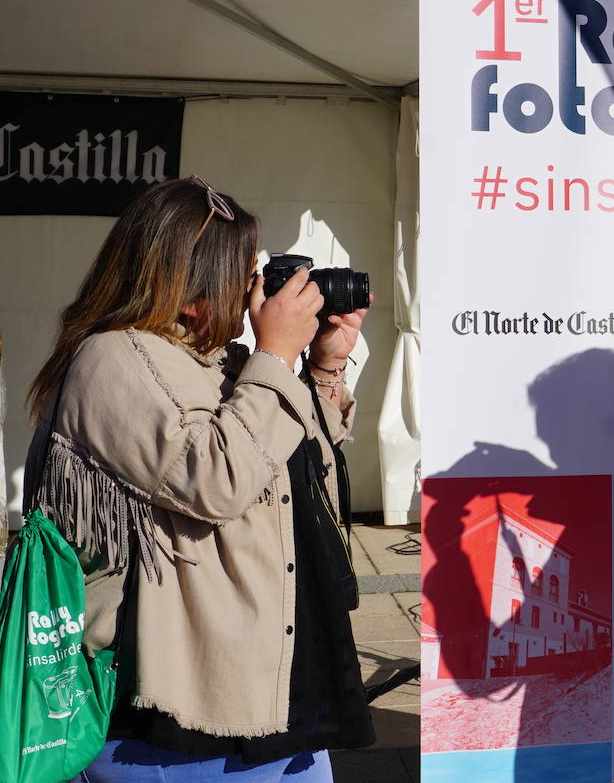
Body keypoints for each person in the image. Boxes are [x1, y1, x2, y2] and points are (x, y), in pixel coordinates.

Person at [24, 177, 373, 781]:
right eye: (241, 270)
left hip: (275, 676)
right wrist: (275, 356)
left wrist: (323, 362)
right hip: (185, 707)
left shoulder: (218, 358)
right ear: (187, 285)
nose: (253, 288)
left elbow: (305, 457)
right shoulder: (110, 360)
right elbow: (215, 480)